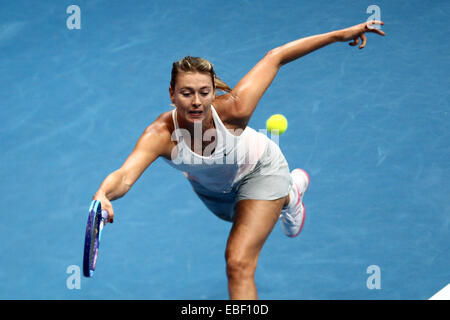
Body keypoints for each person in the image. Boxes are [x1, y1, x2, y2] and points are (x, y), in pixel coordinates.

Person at [92, 20, 385, 299]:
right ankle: (290, 194)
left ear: (212, 91)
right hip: (213, 191)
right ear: (172, 94)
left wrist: (338, 35)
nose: (196, 102)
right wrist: (104, 194)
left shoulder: (234, 108)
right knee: (234, 219)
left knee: (238, 262)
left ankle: (284, 191)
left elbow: (276, 56)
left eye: (204, 92)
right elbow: (125, 175)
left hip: (260, 170)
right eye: (186, 93)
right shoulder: (160, 134)